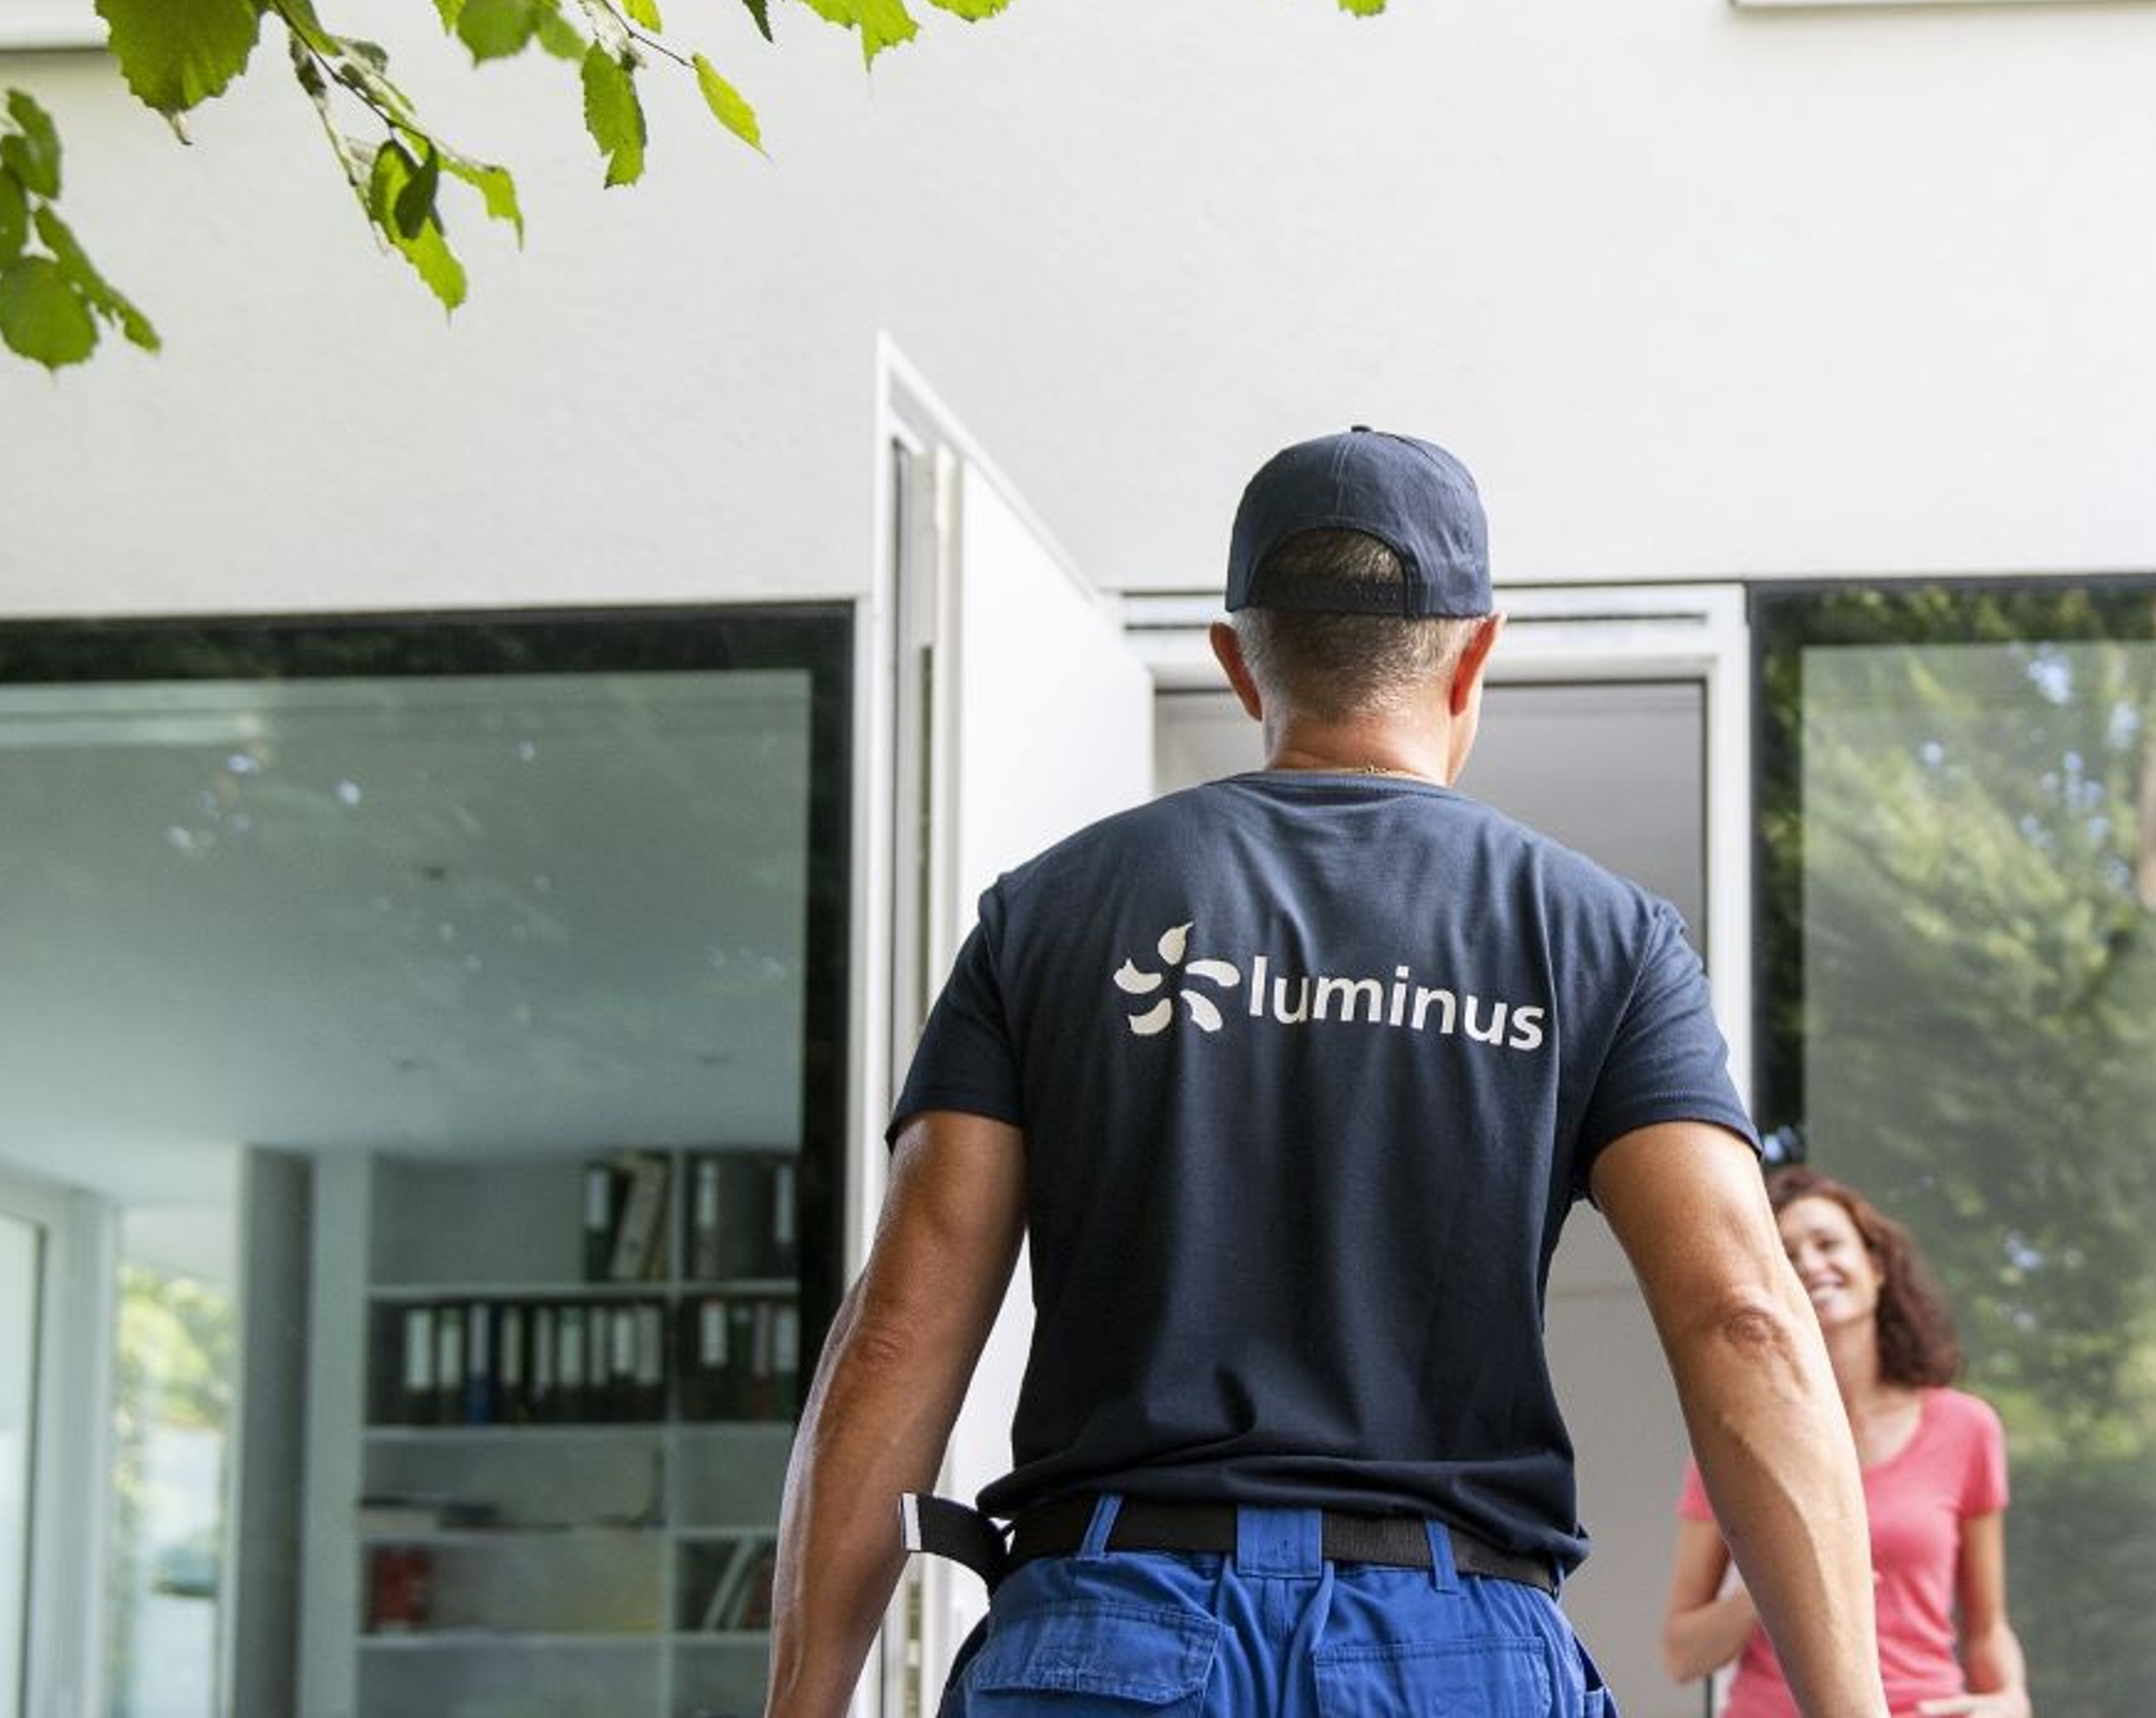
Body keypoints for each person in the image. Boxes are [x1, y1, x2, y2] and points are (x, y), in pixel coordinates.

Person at [766, 428, 1890, 1718]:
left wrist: (802, 1705)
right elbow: (1745, 1320)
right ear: (1476, 655)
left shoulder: (1050, 915)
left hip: (1109, 1633)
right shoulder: (1601, 938)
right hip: (1451, 1654)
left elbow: (901, 1328)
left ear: (1240, 664)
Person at [1662, 1167, 2028, 1718]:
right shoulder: (1736, 1434)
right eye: (1787, 1256)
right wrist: (1784, 1581)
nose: (1810, 1264)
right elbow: (1682, 1653)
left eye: (1828, 1243)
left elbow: (1987, 1629)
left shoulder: (1966, 1428)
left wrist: (2009, 1703)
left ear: (1876, 1267)